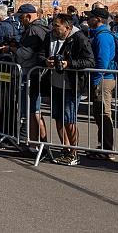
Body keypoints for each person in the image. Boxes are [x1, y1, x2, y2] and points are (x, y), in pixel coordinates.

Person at [43, 14, 94, 166]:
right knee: (58, 118)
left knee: (69, 119)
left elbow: (90, 61)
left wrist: (69, 63)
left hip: (72, 85)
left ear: (68, 27)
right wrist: (47, 61)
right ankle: (65, 149)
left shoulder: (79, 38)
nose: (54, 28)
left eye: (57, 25)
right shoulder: (51, 37)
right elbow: (42, 53)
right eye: (53, 25)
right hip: (56, 83)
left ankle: (74, 152)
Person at [13, 3, 50, 145]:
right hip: (35, 72)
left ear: (28, 16)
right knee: (34, 110)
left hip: (31, 72)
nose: (20, 21)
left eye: (21, 18)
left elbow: (25, 54)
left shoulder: (33, 30)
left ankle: (36, 144)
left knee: (32, 111)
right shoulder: (42, 28)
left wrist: (13, 49)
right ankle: (41, 143)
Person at [86, 7, 116, 161]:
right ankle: (103, 146)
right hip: (102, 78)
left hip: (103, 79)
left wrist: (95, 80)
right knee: (99, 113)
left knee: (104, 113)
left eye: (90, 17)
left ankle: (107, 149)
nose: (88, 19)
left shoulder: (103, 37)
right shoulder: (98, 34)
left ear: (97, 19)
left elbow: (102, 62)